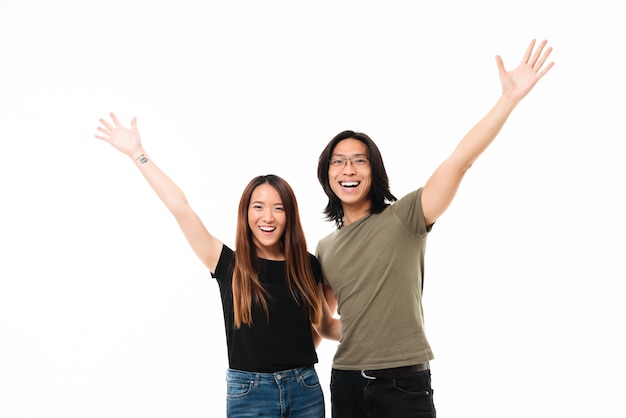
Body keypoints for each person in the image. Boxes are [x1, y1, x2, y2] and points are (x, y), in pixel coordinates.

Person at [315, 39, 554, 417]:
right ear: (326, 175)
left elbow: (459, 161)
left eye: (359, 161)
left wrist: (508, 100)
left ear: (373, 170)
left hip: (403, 387)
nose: (348, 170)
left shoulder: (405, 217)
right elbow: (325, 324)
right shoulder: (325, 247)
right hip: (345, 383)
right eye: (338, 162)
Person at [94, 113, 340, 418]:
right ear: (245, 213)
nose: (268, 217)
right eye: (258, 207)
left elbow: (321, 326)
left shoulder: (308, 265)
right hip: (250, 393)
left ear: (289, 215)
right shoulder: (228, 264)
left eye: (279, 208)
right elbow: (180, 207)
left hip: (304, 388)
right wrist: (137, 153)